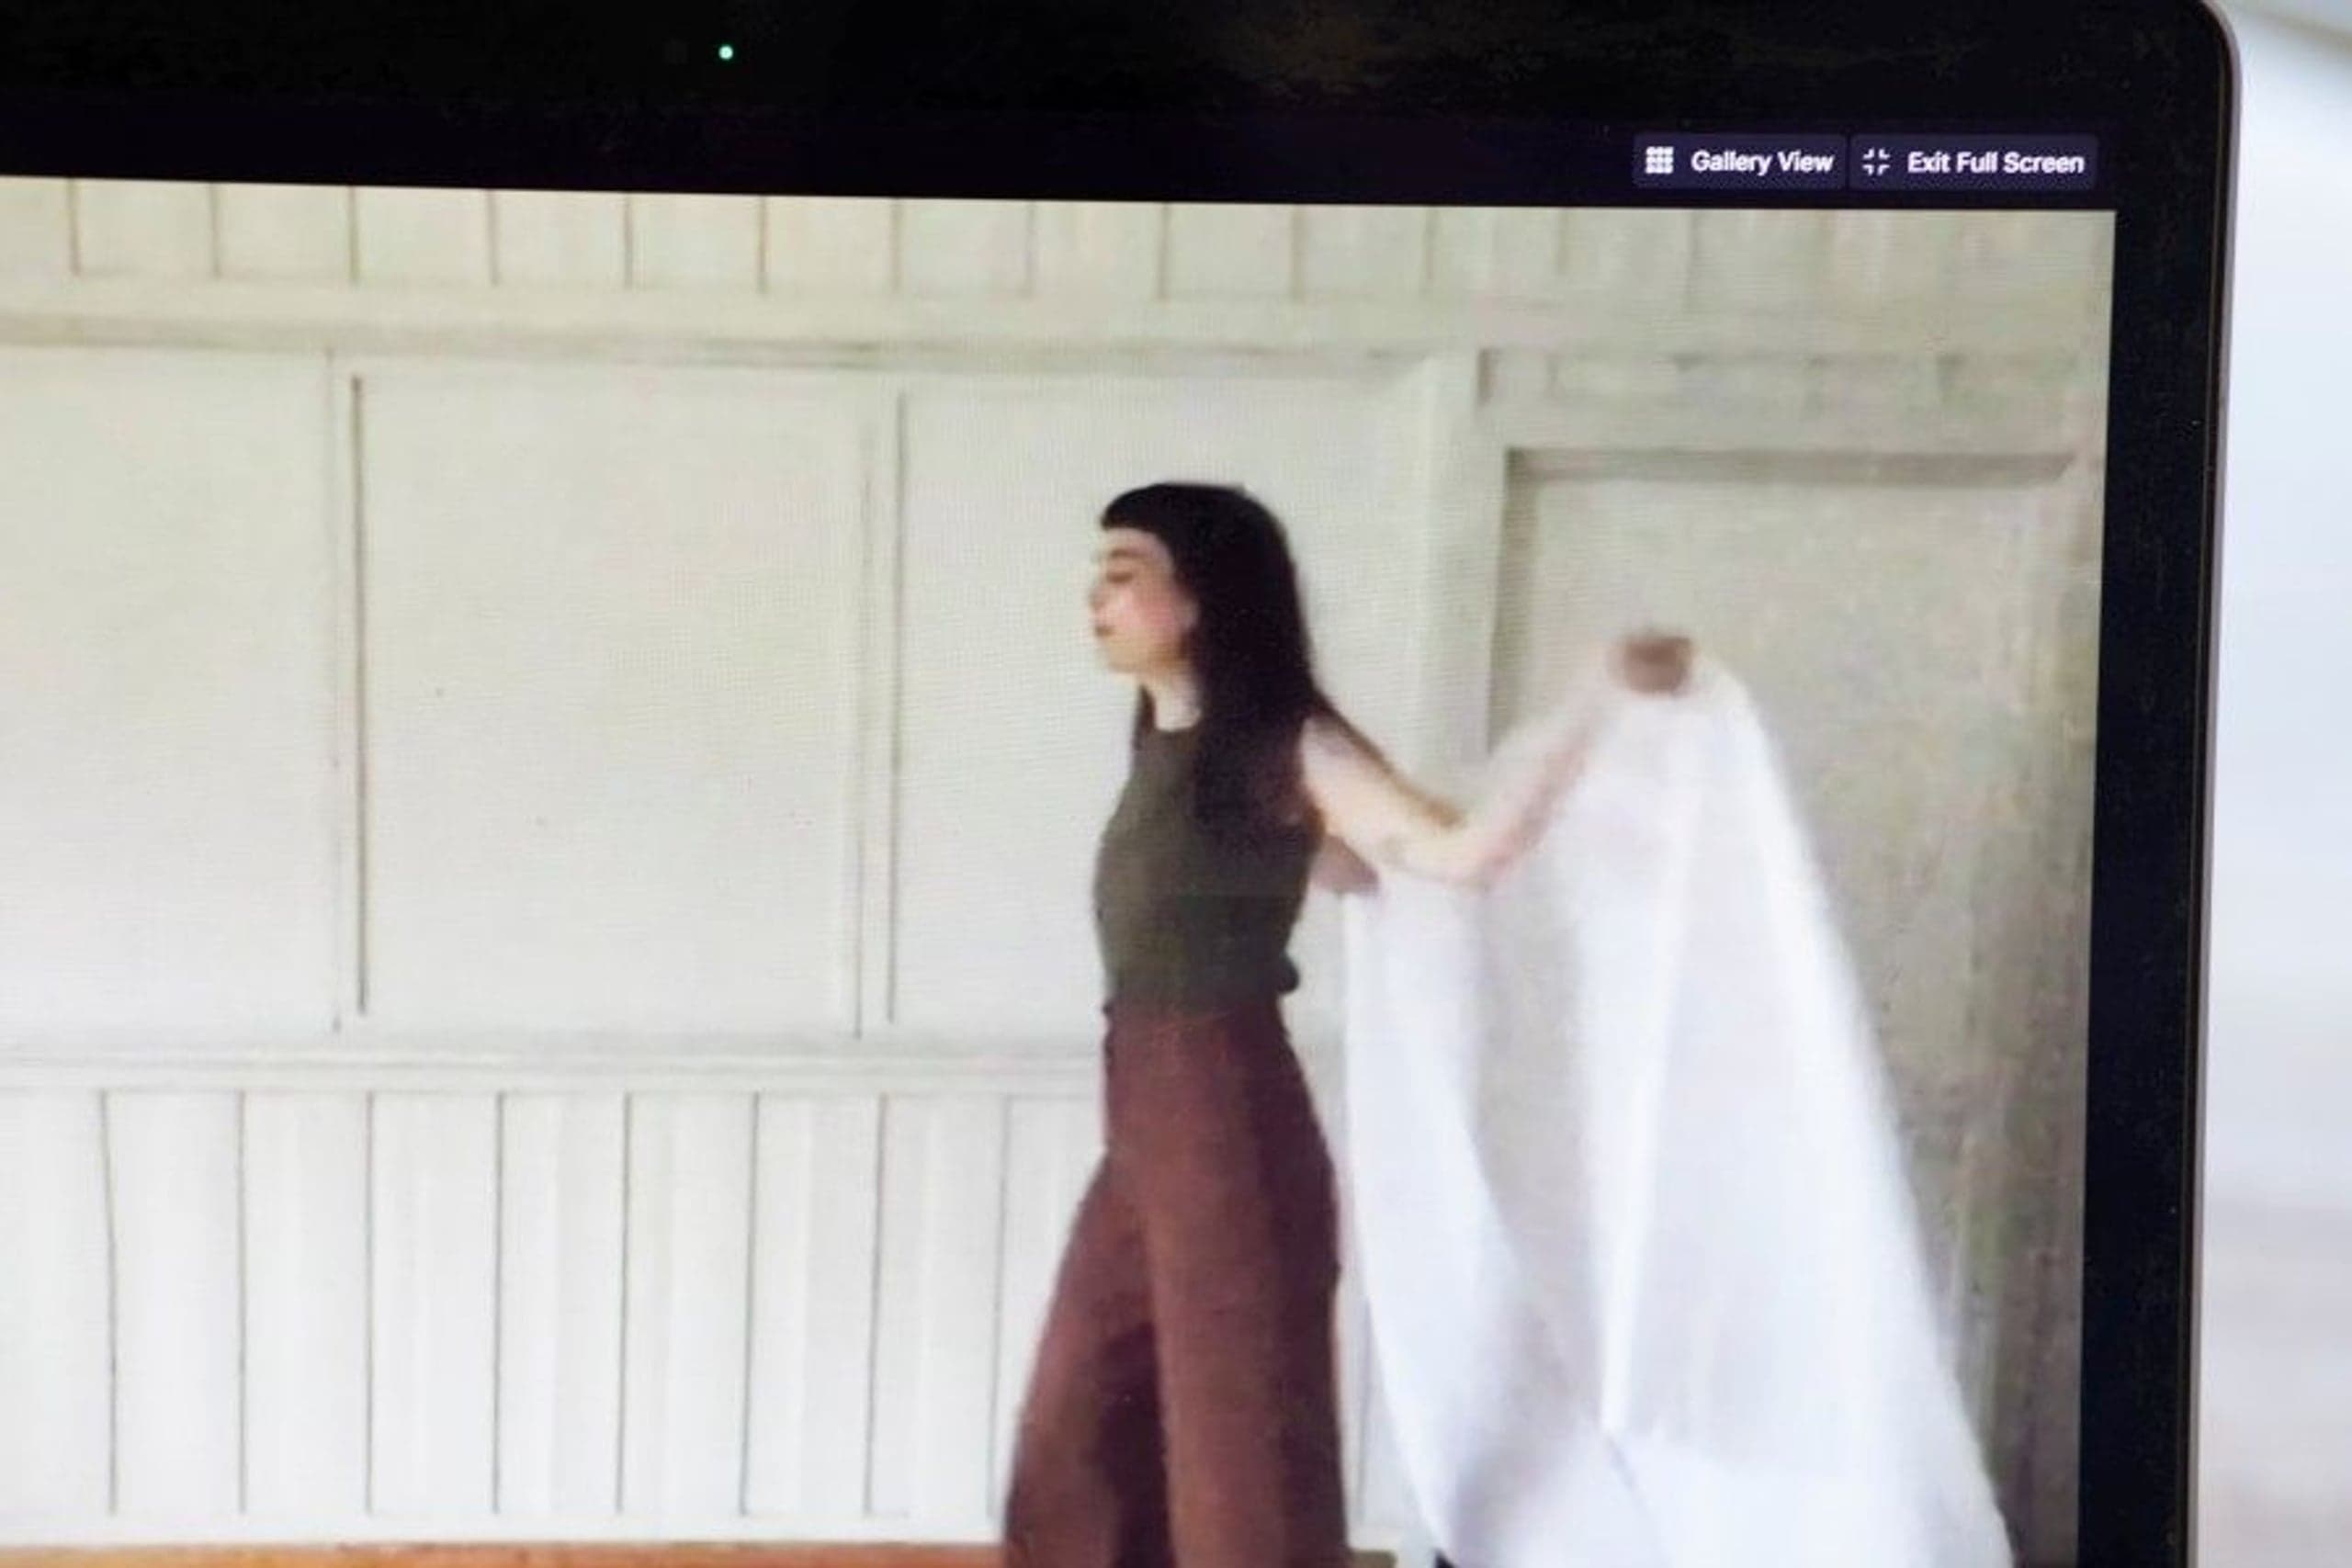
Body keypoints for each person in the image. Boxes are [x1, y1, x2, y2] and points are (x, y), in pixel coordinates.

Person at [1000, 480, 1690, 1568]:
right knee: (1083, 1423)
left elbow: (1458, 853)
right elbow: (1342, 869)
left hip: (1226, 1128)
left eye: (1122, 574)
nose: (1096, 598)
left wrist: (1593, 703)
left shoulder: (1286, 745)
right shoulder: (1174, 751)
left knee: (1239, 1447)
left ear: (1202, 596)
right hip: (1141, 1130)